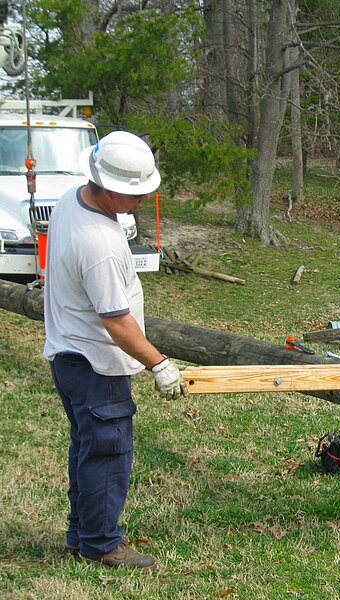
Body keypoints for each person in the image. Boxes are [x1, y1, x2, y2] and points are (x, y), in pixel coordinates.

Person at [43, 131, 187, 569]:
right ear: (108, 187)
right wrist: (159, 364)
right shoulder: (100, 245)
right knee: (107, 454)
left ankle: (81, 533)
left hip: (69, 355)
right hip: (95, 364)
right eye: (136, 192)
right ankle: (101, 543)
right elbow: (117, 323)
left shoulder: (72, 198)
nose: (143, 197)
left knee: (88, 448)